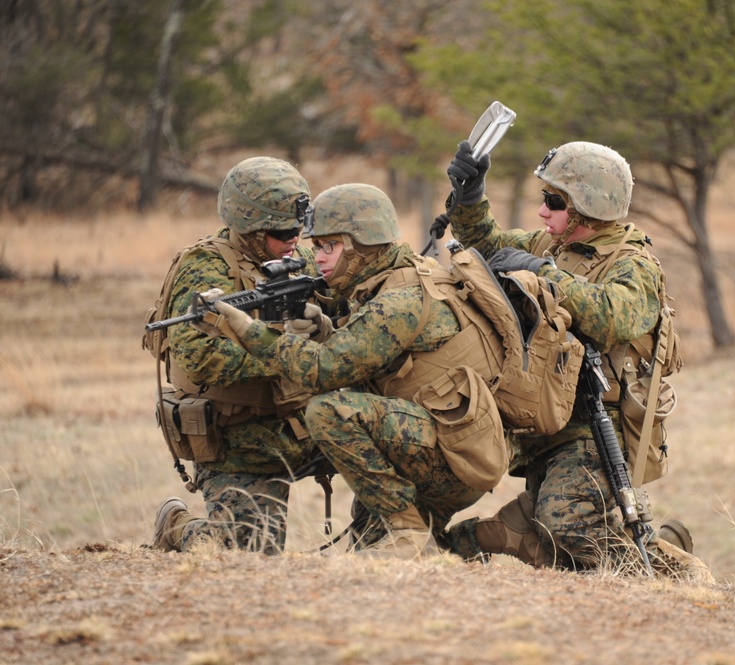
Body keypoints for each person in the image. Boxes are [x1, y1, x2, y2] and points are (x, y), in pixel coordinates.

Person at [440, 140, 711, 580]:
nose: (543, 212)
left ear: (588, 207)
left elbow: (613, 316)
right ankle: (549, 530)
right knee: (559, 540)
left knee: (572, 531)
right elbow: (486, 243)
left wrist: (540, 272)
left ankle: (674, 569)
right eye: (544, 199)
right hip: (548, 420)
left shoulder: (633, 263)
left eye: (554, 201)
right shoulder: (551, 245)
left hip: (597, 426)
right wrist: (471, 197)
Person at [199, 183, 508, 559]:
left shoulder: (397, 301)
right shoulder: (410, 273)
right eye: (317, 247)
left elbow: (322, 371)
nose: (321, 258)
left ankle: (408, 529)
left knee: (328, 411)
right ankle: (456, 540)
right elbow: (377, 359)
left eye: (330, 246)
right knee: (369, 548)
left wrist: (243, 328)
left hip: (452, 454)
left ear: (363, 244)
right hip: (459, 443)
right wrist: (329, 331)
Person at [151, 156, 333, 555]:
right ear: (249, 228)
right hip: (239, 440)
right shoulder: (204, 269)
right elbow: (198, 356)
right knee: (245, 556)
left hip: (302, 420)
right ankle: (179, 527)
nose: (294, 239)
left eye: (299, 229)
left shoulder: (296, 260)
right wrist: (284, 351)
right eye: (282, 231)